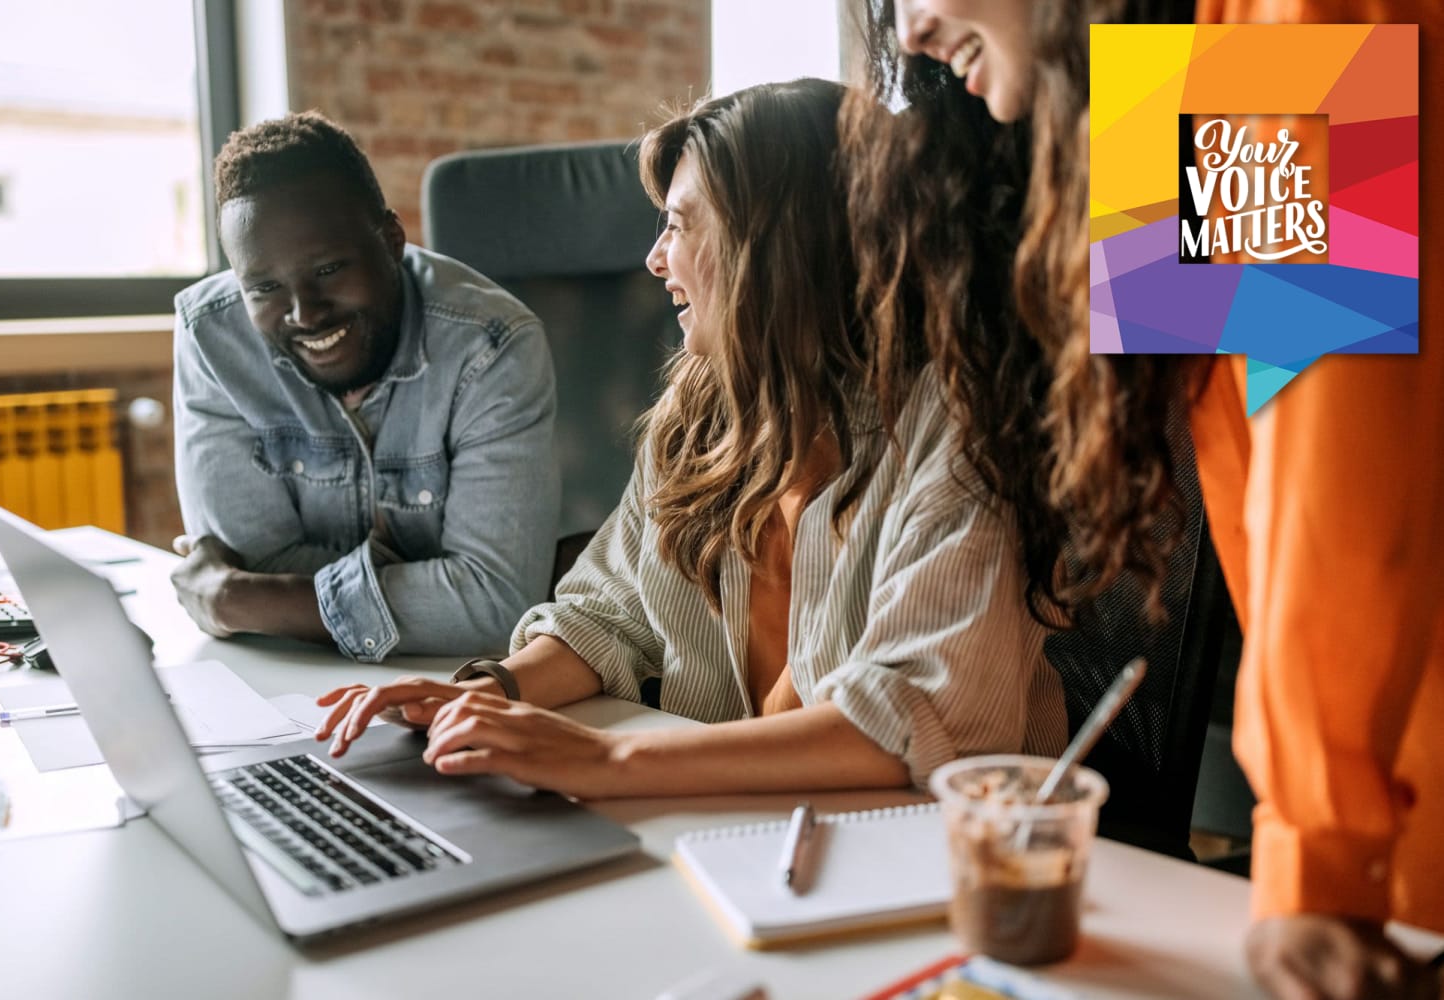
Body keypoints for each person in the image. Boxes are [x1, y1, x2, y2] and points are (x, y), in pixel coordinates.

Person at [858, 3, 1444, 998]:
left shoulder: (1278, 28)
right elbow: (1254, 498)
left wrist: (1318, 856)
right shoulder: (1162, 82)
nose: (908, 30)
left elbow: (1339, 470)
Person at [314, 78, 1067, 800]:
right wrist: (485, 692)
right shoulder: (699, 411)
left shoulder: (957, 425)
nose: (653, 259)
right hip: (728, 822)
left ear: (777, 246)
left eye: (677, 224)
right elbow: (608, 612)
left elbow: (911, 719)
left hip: (940, 851)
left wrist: (611, 756)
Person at [171, 111, 559, 662]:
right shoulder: (211, 334)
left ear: (391, 239)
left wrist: (237, 599)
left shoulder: (492, 343)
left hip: (452, 685)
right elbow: (248, 557)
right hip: (288, 676)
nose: (305, 314)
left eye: (328, 269)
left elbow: (495, 608)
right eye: (265, 287)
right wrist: (428, 587)